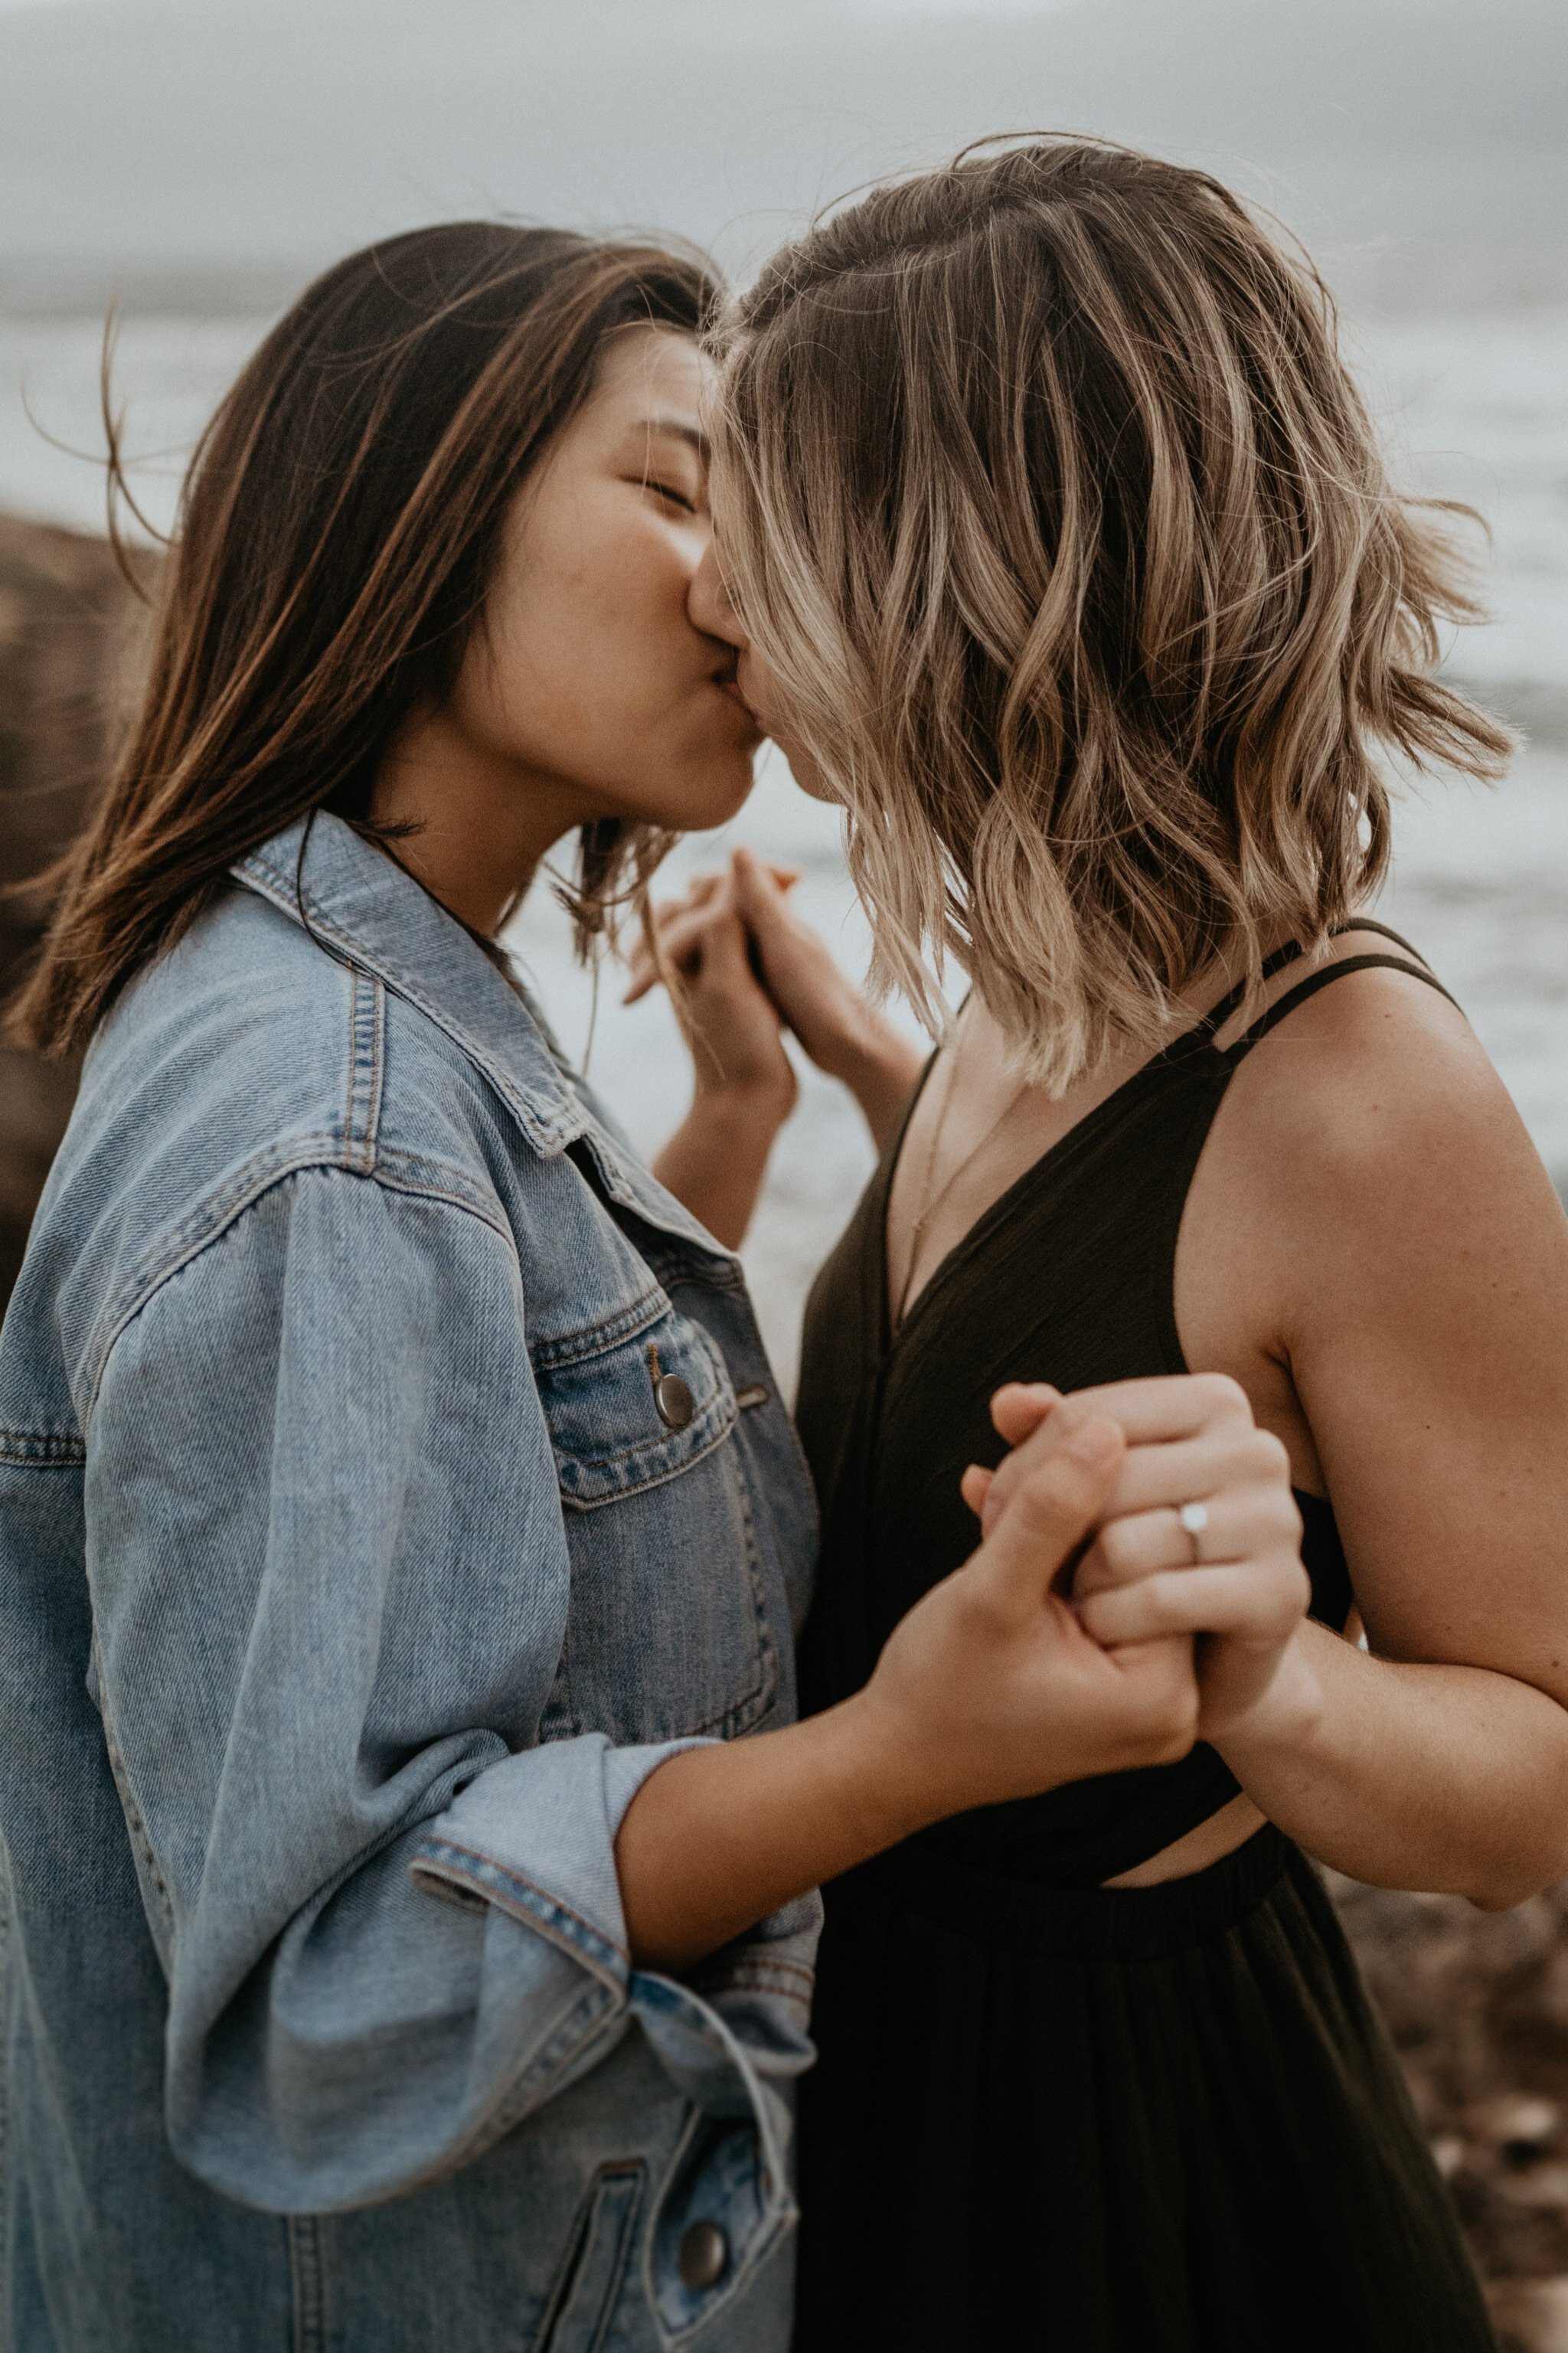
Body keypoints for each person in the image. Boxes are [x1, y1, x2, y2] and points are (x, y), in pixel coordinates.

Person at [0, 221, 1309, 2351]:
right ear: (415, 512)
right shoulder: (331, 1125)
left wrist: (729, 1137)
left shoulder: (360, 1019)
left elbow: (494, 1498)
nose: (747, 576)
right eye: (684, 487)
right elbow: (334, 1989)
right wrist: (908, 1750)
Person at [658, 136, 1568, 2351]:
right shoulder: (1037, 972)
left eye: (767, 543)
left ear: (954, 583)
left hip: (1115, 2156)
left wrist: (1276, 1671)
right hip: (875, 2052)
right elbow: (1107, 1277)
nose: (711, 602)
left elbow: (1535, 1774)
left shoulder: (1366, 1102)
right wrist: (864, 1085)